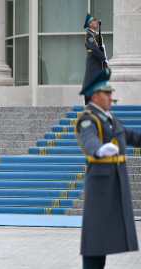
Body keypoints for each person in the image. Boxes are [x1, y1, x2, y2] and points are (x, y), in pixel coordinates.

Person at [76, 68, 139, 269]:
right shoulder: (88, 118)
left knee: (102, 240)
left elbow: (130, 135)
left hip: (115, 182)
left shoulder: (110, 118)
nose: (111, 97)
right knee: (94, 239)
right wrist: (100, 149)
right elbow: (88, 139)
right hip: (101, 185)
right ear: (95, 96)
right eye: (107, 93)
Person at [82, 13, 109, 105]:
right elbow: (94, 49)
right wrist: (104, 58)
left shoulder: (94, 35)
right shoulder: (89, 35)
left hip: (96, 60)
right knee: (91, 80)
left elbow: (98, 47)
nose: (95, 22)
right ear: (90, 24)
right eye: (93, 21)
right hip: (93, 60)